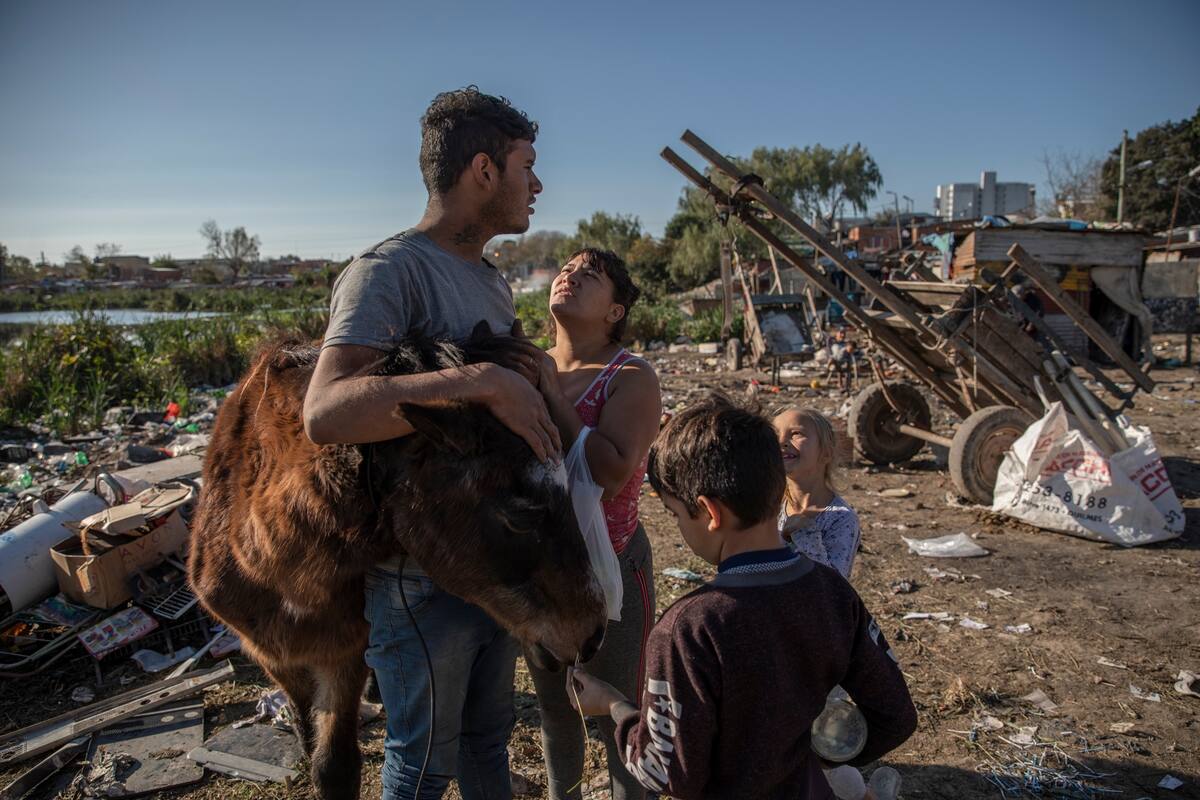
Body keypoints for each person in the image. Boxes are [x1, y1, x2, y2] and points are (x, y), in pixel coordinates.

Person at [302, 87, 558, 800]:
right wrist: (479, 381)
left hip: (492, 563)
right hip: (420, 578)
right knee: (422, 767)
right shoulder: (390, 272)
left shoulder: (488, 282)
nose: (536, 184)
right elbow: (326, 412)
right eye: (526, 166)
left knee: (488, 741)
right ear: (483, 169)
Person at [567, 395, 918, 798]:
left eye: (677, 514)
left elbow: (666, 772)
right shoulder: (832, 592)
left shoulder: (688, 629)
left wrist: (614, 706)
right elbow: (895, 716)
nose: (680, 526)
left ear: (710, 513)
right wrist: (816, 753)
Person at [529, 249, 662, 800]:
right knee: (556, 709)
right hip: (538, 571)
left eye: (591, 275)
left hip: (610, 569)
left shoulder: (630, 376)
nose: (570, 276)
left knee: (618, 710)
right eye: (566, 270)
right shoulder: (526, 366)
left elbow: (608, 471)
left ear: (615, 311)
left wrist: (548, 394)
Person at [774, 407, 861, 579]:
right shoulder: (771, 507)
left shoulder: (841, 519)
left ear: (826, 452)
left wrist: (806, 533)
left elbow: (834, 586)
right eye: (775, 435)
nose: (782, 441)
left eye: (796, 433)